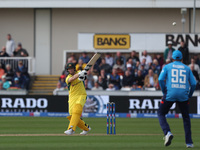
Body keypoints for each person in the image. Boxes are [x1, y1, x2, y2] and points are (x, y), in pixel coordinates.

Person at [158, 50, 196, 148]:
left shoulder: (167, 66)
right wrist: (189, 95)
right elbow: (194, 83)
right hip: (183, 95)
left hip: (170, 93)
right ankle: (189, 143)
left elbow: (160, 79)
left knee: (161, 113)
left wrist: (164, 92)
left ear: (172, 58)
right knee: (186, 118)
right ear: (182, 59)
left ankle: (167, 132)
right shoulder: (187, 68)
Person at [64, 63, 91, 135]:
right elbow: (71, 79)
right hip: (72, 97)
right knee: (72, 116)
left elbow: (84, 78)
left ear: (74, 68)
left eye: (71, 68)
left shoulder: (79, 72)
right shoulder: (67, 78)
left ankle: (71, 129)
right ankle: (86, 128)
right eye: (69, 69)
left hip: (81, 95)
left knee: (77, 110)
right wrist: (80, 74)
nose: (70, 70)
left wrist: (83, 74)